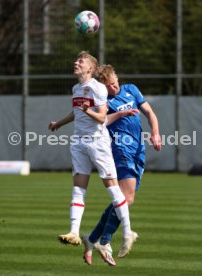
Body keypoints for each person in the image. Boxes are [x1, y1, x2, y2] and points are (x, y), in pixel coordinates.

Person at [48, 52, 137, 258]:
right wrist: (59, 123)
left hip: (98, 143)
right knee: (78, 188)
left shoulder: (97, 88)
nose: (76, 63)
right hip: (79, 142)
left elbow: (102, 117)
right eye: (76, 60)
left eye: (81, 61)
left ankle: (127, 231)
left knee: (113, 189)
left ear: (90, 68)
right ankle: (74, 232)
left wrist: (88, 110)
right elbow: (76, 112)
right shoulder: (76, 88)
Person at [82, 64, 162, 266]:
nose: (114, 88)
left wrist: (155, 132)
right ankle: (105, 241)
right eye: (109, 86)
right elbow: (103, 121)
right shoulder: (103, 101)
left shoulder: (131, 89)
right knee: (127, 197)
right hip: (120, 149)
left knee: (124, 198)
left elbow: (149, 112)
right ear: (102, 87)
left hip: (138, 150)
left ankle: (92, 238)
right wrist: (119, 115)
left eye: (115, 83)